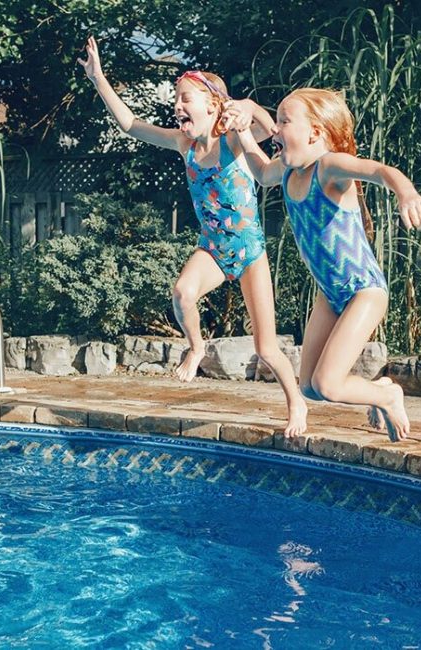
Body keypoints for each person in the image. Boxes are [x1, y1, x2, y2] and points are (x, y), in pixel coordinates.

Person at [78, 36, 307, 438]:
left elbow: (273, 138)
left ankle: (296, 403)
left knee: (266, 348)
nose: (177, 105)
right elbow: (130, 125)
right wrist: (99, 79)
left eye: (185, 98)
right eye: (176, 99)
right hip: (214, 248)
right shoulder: (183, 143)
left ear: (213, 104)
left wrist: (251, 109)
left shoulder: (232, 138)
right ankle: (197, 346)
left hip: (249, 251)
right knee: (182, 292)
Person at [234, 87, 421, 441]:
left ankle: (388, 394)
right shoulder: (289, 171)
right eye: (275, 121)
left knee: (328, 382)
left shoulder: (329, 166)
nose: (275, 130)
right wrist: (241, 130)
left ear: (315, 132)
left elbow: (380, 170)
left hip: (364, 292)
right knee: (308, 387)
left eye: (284, 121)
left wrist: (406, 193)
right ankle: (380, 388)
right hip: (330, 293)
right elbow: (261, 173)